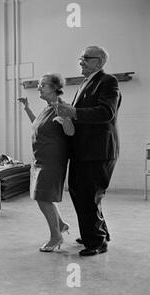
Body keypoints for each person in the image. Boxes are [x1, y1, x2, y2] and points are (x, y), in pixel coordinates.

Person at [56, 46, 121, 256]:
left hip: (97, 151)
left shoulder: (107, 81)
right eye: (80, 58)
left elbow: (106, 112)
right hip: (84, 150)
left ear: (99, 62)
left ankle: (97, 242)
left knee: (89, 195)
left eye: (86, 58)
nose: (81, 61)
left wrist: (73, 111)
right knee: (81, 193)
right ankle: (94, 233)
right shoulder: (86, 82)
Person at [18, 73, 72, 252]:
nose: (39, 87)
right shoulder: (48, 107)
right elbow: (38, 124)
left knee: (43, 198)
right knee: (43, 196)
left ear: (55, 87)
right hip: (40, 159)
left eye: (43, 85)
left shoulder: (62, 107)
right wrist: (27, 108)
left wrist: (64, 120)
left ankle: (56, 237)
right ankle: (61, 224)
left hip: (52, 161)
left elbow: (71, 132)